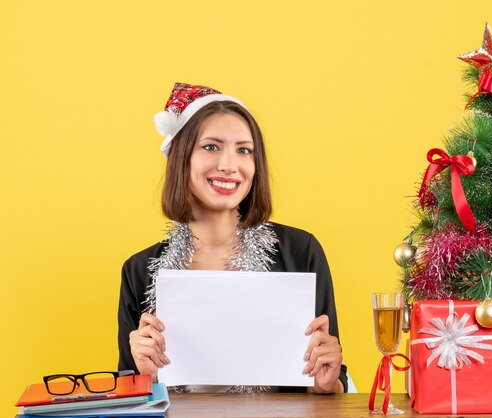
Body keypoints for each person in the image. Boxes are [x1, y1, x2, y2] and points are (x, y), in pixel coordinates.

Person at [117, 82, 347, 394]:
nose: (229, 165)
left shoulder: (300, 252)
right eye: (211, 147)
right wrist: (146, 377)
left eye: (244, 150)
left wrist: (326, 382)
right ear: (180, 157)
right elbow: (128, 396)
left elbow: (333, 385)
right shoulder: (140, 270)